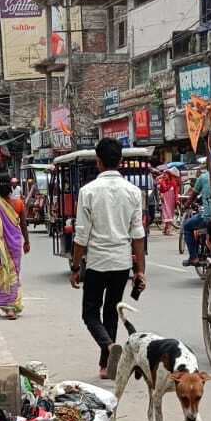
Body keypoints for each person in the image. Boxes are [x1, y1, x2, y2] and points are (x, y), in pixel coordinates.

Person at [70, 137, 146, 378]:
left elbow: (81, 236)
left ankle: (109, 347)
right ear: (120, 161)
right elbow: (138, 235)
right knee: (112, 311)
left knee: (90, 313)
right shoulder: (133, 192)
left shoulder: (88, 192)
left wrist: (75, 267)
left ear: (98, 162)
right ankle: (106, 365)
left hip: (97, 263)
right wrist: (140, 271)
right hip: (122, 263)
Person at [0, 175, 30, 320]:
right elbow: (23, 225)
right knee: (12, 274)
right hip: (14, 245)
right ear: (11, 186)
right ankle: (10, 309)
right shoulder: (18, 204)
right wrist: (27, 242)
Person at [182, 158, 211, 265]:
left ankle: (193, 257)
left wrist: (186, 205)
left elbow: (192, 196)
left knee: (186, 226)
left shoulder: (203, 178)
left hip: (209, 216)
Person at [157, 165, 180, 235]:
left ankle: (166, 230)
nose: (165, 176)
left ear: (169, 175)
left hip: (171, 202)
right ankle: (167, 230)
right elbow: (161, 190)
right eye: (164, 174)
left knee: (170, 215)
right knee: (166, 215)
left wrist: (177, 200)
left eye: (166, 174)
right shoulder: (162, 182)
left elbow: (176, 192)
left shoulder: (173, 182)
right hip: (165, 201)